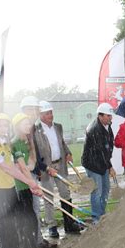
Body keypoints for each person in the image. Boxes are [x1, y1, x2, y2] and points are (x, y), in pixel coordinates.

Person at [0, 113, 43, 248]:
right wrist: (30, 181)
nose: (3, 129)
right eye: (0, 126)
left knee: (14, 227)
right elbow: (6, 168)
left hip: (11, 190)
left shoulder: (6, 144)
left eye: (5, 126)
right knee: (5, 229)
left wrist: (30, 183)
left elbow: (15, 166)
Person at [33, 101, 82, 237]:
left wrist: (68, 152)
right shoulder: (35, 130)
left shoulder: (58, 127)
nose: (50, 115)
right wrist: (42, 168)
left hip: (60, 165)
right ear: (40, 115)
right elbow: (35, 151)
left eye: (51, 112)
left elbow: (62, 142)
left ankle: (69, 223)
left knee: (65, 194)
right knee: (48, 197)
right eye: (47, 113)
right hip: (46, 168)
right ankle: (52, 226)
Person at [20, 96, 55, 248]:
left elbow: (35, 154)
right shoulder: (21, 129)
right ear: (24, 111)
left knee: (35, 209)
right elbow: (19, 156)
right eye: (31, 109)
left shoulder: (33, 128)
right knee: (28, 211)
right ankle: (31, 242)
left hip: (32, 173)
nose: (34, 112)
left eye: (36, 110)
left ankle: (37, 239)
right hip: (22, 177)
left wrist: (44, 168)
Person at [11, 113, 47, 248]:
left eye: (28, 123)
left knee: (31, 220)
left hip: (28, 182)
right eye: (24, 123)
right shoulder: (16, 142)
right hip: (21, 185)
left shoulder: (27, 140)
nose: (28, 126)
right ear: (17, 126)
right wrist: (32, 182)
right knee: (28, 220)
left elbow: (31, 164)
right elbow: (22, 166)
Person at [81, 103, 115, 223]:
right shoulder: (94, 129)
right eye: (108, 116)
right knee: (97, 191)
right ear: (100, 116)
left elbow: (109, 146)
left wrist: (108, 164)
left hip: (102, 163)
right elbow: (101, 151)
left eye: (111, 115)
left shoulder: (107, 125)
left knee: (105, 189)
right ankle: (96, 218)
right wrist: (110, 166)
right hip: (92, 164)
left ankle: (102, 214)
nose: (111, 118)